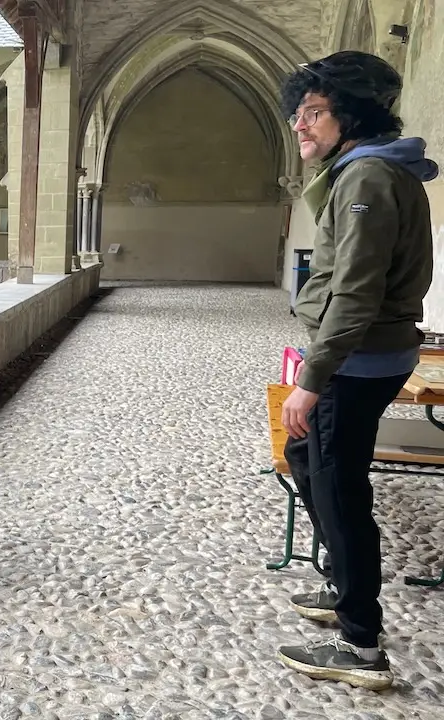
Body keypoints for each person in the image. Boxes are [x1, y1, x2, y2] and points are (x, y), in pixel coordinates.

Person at [276, 50, 436, 691]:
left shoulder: (367, 177)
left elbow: (356, 292)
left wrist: (311, 382)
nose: (300, 126)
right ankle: (344, 582)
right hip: (367, 354)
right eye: (298, 114)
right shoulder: (361, 171)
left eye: (313, 112)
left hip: (358, 361)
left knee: (341, 490)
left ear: (352, 116)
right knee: (306, 457)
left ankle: (361, 646)